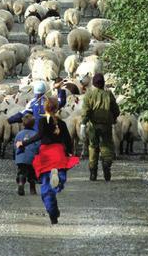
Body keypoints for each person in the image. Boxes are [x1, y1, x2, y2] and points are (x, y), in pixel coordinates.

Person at [16, 97, 79, 225]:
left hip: (46, 155)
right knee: (58, 180)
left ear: (45, 108)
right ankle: (57, 179)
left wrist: (23, 143)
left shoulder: (43, 121)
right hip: (58, 154)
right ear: (57, 109)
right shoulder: (61, 123)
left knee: (45, 188)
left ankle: (53, 212)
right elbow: (68, 140)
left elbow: (39, 136)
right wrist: (69, 152)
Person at [80, 73, 120, 182]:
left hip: (93, 126)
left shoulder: (89, 95)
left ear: (93, 83)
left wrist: (83, 124)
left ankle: (93, 172)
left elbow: (86, 110)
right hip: (106, 126)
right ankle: (106, 168)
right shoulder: (109, 94)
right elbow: (116, 110)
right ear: (103, 83)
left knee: (93, 147)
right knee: (106, 146)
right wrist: (113, 118)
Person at [14, 114, 40, 196]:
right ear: (33, 124)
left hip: (21, 157)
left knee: (21, 172)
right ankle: (32, 189)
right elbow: (38, 146)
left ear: (23, 124)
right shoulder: (35, 134)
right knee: (32, 174)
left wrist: (16, 155)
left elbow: (15, 145)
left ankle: (21, 182)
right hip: (32, 158)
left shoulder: (19, 134)